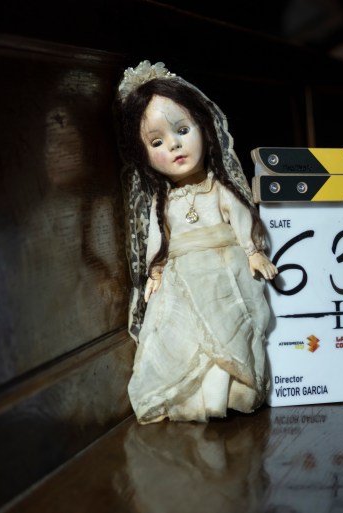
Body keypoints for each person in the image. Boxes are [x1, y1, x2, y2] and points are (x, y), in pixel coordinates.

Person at [113, 60, 278, 424]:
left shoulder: (218, 189)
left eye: (182, 130)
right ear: (144, 154)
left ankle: (230, 392)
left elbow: (240, 219)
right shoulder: (162, 202)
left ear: (203, 127)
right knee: (183, 335)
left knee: (228, 326)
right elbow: (157, 238)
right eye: (157, 142)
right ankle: (194, 398)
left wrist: (252, 252)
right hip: (182, 277)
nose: (174, 145)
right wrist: (155, 272)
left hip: (224, 270)